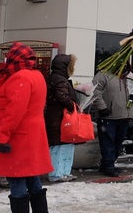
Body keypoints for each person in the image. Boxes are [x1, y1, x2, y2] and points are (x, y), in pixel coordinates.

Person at [0, 42, 52, 213]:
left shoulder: (20, 77)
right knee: (32, 178)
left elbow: (14, 111)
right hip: (30, 136)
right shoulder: (35, 75)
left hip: (17, 137)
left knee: (17, 181)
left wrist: (2, 135)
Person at [91, 67, 133, 177]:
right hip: (108, 116)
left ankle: (107, 164)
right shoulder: (103, 75)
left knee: (117, 143)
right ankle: (108, 165)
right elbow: (94, 90)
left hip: (125, 115)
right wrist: (102, 107)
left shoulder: (130, 76)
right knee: (108, 143)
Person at [44, 54, 79, 182]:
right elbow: (62, 96)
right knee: (60, 146)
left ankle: (62, 172)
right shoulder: (60, 79)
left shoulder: (55, 77)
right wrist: (73, 106)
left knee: (63, 145)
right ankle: (57, 173)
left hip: (57, 117)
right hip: (59, 118)